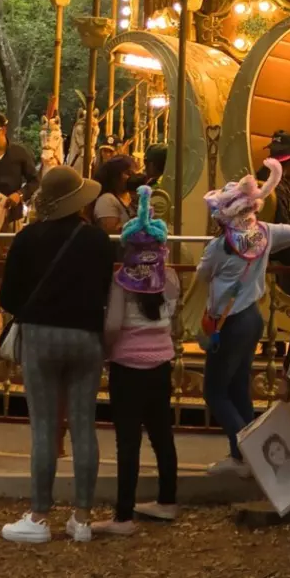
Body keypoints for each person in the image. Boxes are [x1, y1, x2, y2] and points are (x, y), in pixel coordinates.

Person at [0, 166, 115, 542]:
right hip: (86, 336)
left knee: (45, 427)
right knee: (83, 424)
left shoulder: (28, 238)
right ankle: (82, 516)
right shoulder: (98, 241)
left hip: (41, 335)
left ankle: (40, 515)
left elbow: (9, 296)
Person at [194, 162, 290, 475]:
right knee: (239, 387)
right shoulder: (266, 233)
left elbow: (202, 275)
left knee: (214, 390)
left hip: (227, 322)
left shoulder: (219, 247)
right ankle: (244, 456)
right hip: (252, 318)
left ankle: (251, 453)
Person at [96, 196, 180, 535]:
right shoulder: (170, 277)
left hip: (128, 365)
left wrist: (107, 349)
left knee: (128, 440)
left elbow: (113, 325)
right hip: (161, 362)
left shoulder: (121, 282)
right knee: (162, 434)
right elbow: (171, 316)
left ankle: (124, 515)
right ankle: (167, 499)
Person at [0, 114, 41, 227]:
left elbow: (35, 180)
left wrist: (20, 195)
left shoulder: (20, 153)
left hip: (12, 216)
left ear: (2, 130)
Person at [90, 154, 137, 235]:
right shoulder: (107, 200)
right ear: (114, 176)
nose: (132, 177)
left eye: (134, 173)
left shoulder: (130, 197)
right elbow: (111, 233)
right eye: (128, 173)